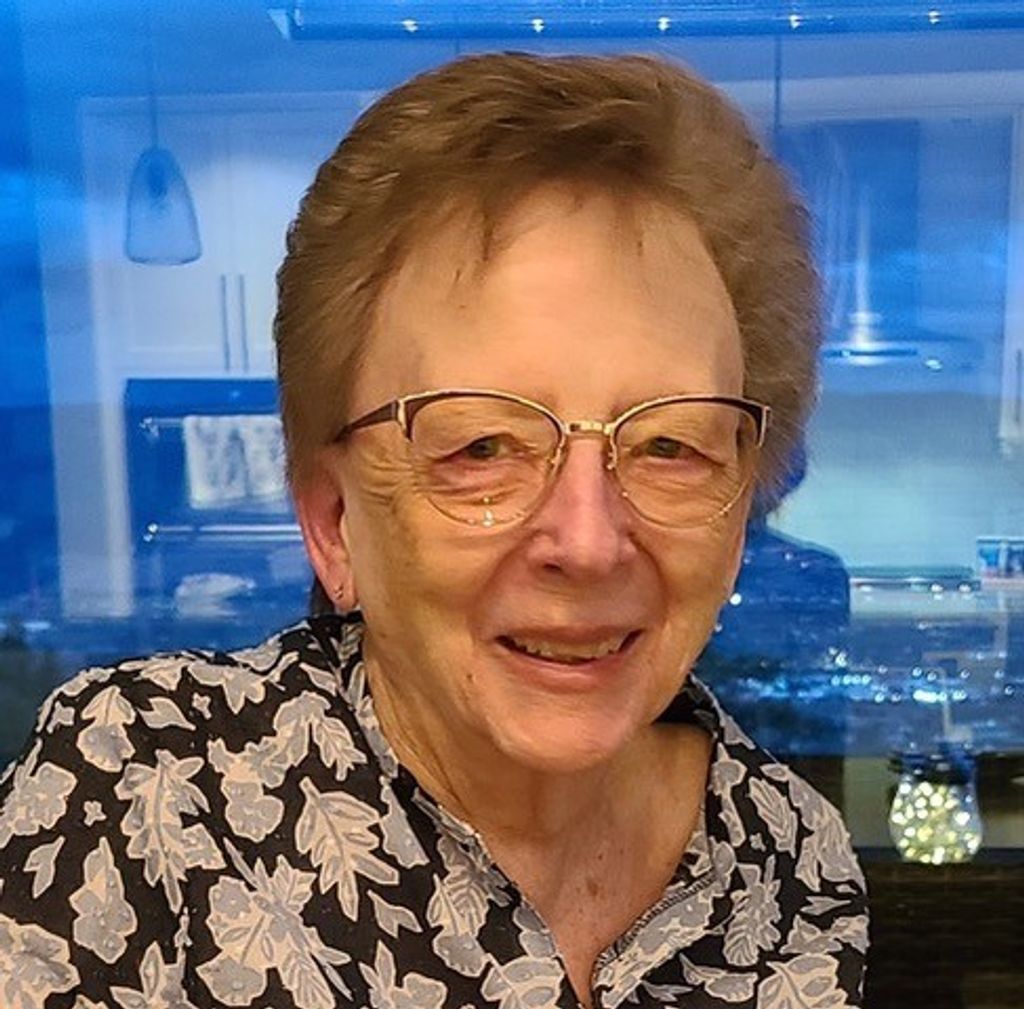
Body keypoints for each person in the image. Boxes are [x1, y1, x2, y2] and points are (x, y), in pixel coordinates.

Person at [0, 52, 867, 1008]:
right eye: (481, 446)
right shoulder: (140, 791)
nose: (589, 541)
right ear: (333, 522)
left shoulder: (791, 857)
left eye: (670, 444)